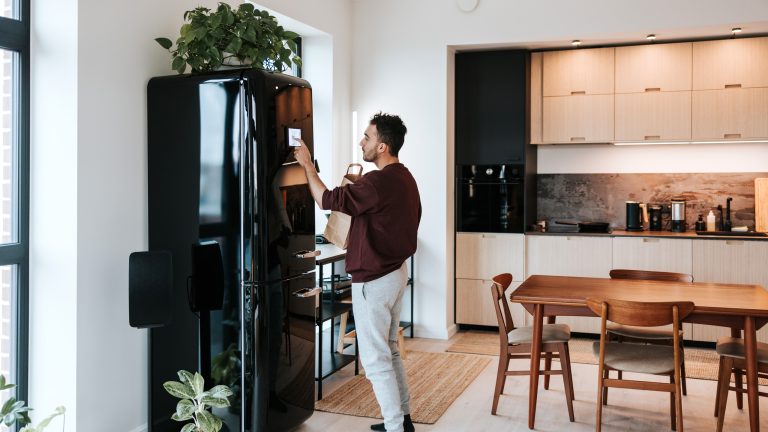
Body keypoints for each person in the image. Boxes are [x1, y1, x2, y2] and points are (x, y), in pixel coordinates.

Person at [293, 112, 421, 432]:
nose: (361, 141)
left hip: (374, 281)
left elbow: (326, 199)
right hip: (395, 274)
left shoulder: (377, 182)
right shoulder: (404, 178)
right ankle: (401, 419)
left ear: (382, 146)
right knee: (389, 350)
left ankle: (395, 427)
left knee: (376, 359)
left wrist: (308, 164)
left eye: (367, 137)